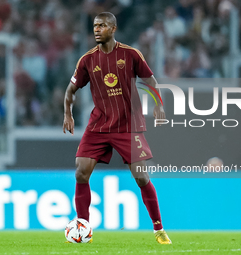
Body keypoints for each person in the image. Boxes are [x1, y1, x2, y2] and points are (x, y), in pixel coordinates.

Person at [63, 12, 171, 244]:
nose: (97, 29)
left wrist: (158, 105)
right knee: (81, 171)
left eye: (102, 26)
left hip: (127, 125)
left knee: (141, 177)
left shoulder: (131, 55)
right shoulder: (87, 60)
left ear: (113, 28)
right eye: (94, 26)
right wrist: (67, 114)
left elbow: (151, 81)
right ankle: (83, 227)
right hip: (99, 124)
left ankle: (159, 229)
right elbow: (71, 90)